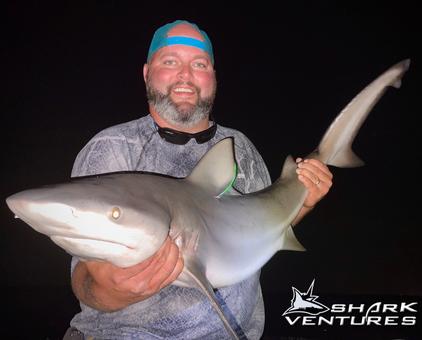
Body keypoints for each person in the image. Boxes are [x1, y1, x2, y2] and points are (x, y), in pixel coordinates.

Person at [63, 20, 333, 340]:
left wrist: (303, 201)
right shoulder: (113, 148)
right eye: (170, 61)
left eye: (199, 64)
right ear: (147, 73)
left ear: (213, 78)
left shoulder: (240, 148)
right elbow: (85, 281)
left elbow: (261, 231)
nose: (185, 74)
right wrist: (115, 290)